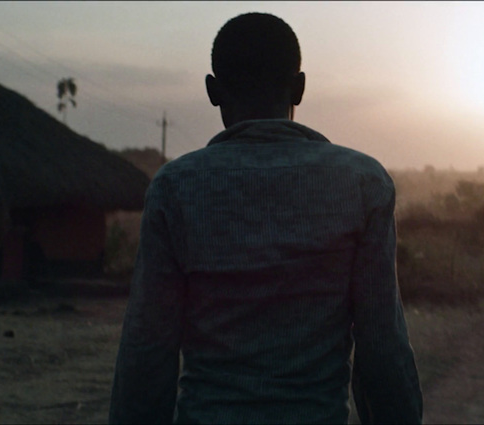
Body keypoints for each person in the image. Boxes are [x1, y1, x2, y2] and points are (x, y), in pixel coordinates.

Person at [108, 12, 423, 425]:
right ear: (300, 87)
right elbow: (381, 346)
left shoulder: (176, 188)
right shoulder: (361, 183)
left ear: (213, 91)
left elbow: (148, 351)